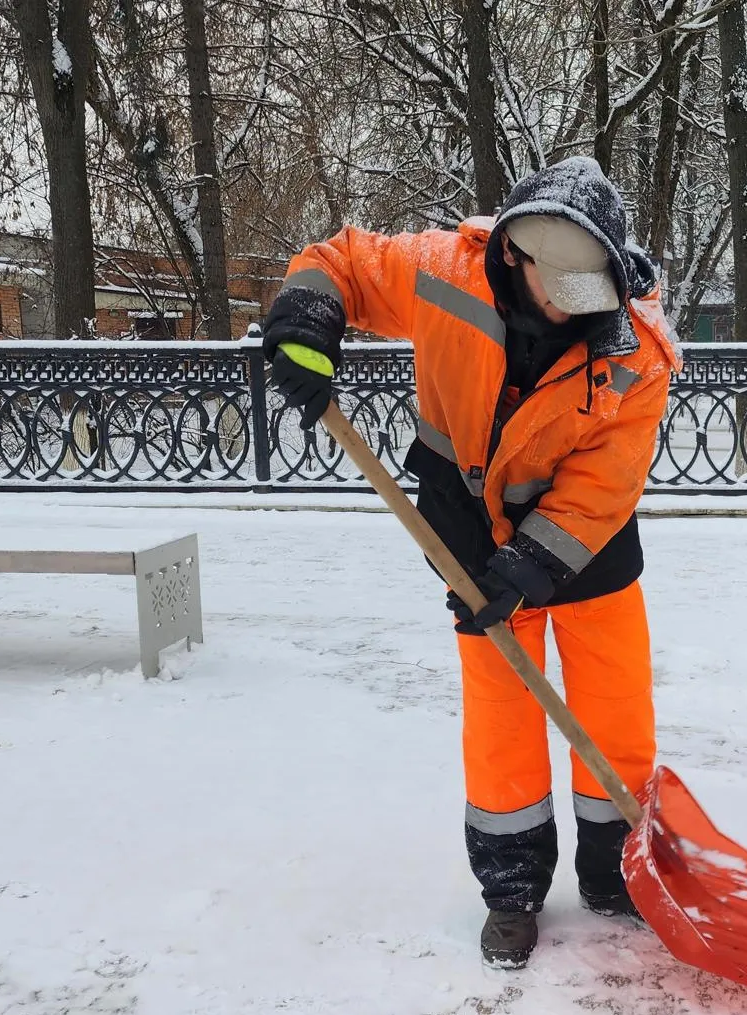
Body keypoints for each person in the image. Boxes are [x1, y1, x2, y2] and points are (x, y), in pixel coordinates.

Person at [258, 157, 678, 969]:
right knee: (501, 723)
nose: (576, 312)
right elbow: (341, 260)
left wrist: (533, 562)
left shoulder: (638, 346)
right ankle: (512, 889)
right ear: (517, 258)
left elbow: (604, 482)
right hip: (468, 532)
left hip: (584, 548)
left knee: (614, 715)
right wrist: (308, 319)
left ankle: (615, 871)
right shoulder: (445, 273)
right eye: (563, 292)